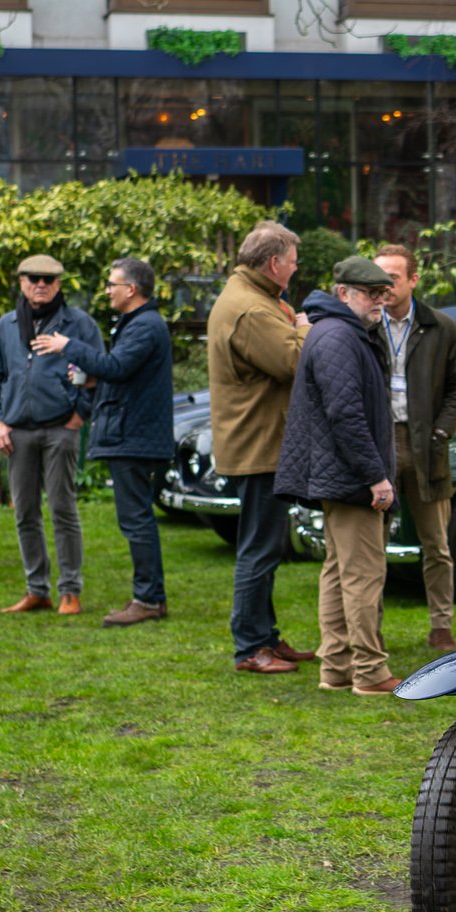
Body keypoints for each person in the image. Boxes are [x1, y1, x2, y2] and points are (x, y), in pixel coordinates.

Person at [278, 257, 401, 696]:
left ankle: (336, 668)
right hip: (351, 479)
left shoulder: (336, 331)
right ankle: (369, 672)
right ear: (343, 293)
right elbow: (345, 415)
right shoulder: (338, 337)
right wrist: (376, 477)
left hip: (340, 476)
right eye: (370, 295)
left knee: (338, 572)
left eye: (383, 295)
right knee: (363, 575)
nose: (378, 303)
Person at [33, 256, 175, 626]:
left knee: (136, 520)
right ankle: (151, 597)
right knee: (137, 519)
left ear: (132, 289)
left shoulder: (144, 326)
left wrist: (69, 346)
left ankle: (147, 599)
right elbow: (124, 375)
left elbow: (116, 367)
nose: (108, 291)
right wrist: (95, 379)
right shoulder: (137, 325)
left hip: (134, 436)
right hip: (131, 433)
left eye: (113, 284)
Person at [209, 221, 317, 674]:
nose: (295, 271)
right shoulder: (251, 310)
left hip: (260, 442)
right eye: (292, 263)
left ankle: (265, 638)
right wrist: (306, 327)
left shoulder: (252, 297)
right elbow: (293, 359)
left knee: (265, 545)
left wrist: (292, 324)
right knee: (259, 548)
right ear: (274, 264)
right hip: (260, 447)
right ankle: (251, 647)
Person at [0, 253, 101, 615]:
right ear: (21, 282)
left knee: (63, 508)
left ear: (59, 284)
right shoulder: (6, 326)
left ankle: (70, 590)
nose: (41, 285)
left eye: (48, 279)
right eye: (33, 278)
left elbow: (98, 371)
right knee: (25, 513)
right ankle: (37, 589)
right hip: (17, 432)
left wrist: (79, 415)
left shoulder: (78, 324)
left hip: (60, 429)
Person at [373, 242, 456, 651]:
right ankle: (369, 628)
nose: (385, 286)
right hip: (379, 444)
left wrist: (442, 432)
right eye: (379, 278)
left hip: (427, 443)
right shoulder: (365, 326)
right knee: (371, 545)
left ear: (413, 279)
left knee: (437, 544)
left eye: (393, 277)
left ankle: (441, 626)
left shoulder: (441, 327)